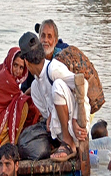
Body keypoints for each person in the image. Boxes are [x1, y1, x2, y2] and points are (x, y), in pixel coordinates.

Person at [19, 32, 90, 162]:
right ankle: (63, 142)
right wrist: (52, 114)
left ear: (26, 63)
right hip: (61, 131)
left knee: (57, 86)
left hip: (77, 126)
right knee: (34, 89)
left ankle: (69, 144)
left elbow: (83, 84)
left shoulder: (53, 69)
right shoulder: (35, 85)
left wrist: (75, 120)